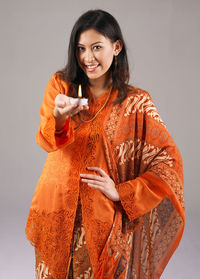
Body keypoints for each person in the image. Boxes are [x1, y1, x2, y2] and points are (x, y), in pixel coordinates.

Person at [25, 9, 185, 279]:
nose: (88, 58)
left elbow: (168, 162)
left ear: (116, 47)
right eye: (81, 48)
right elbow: (45, 139)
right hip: (55, 208)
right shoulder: (61, 86)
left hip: (99, 216)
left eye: (96, 47)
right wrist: (59, 118)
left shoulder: (136, 102)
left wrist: (122, 192)